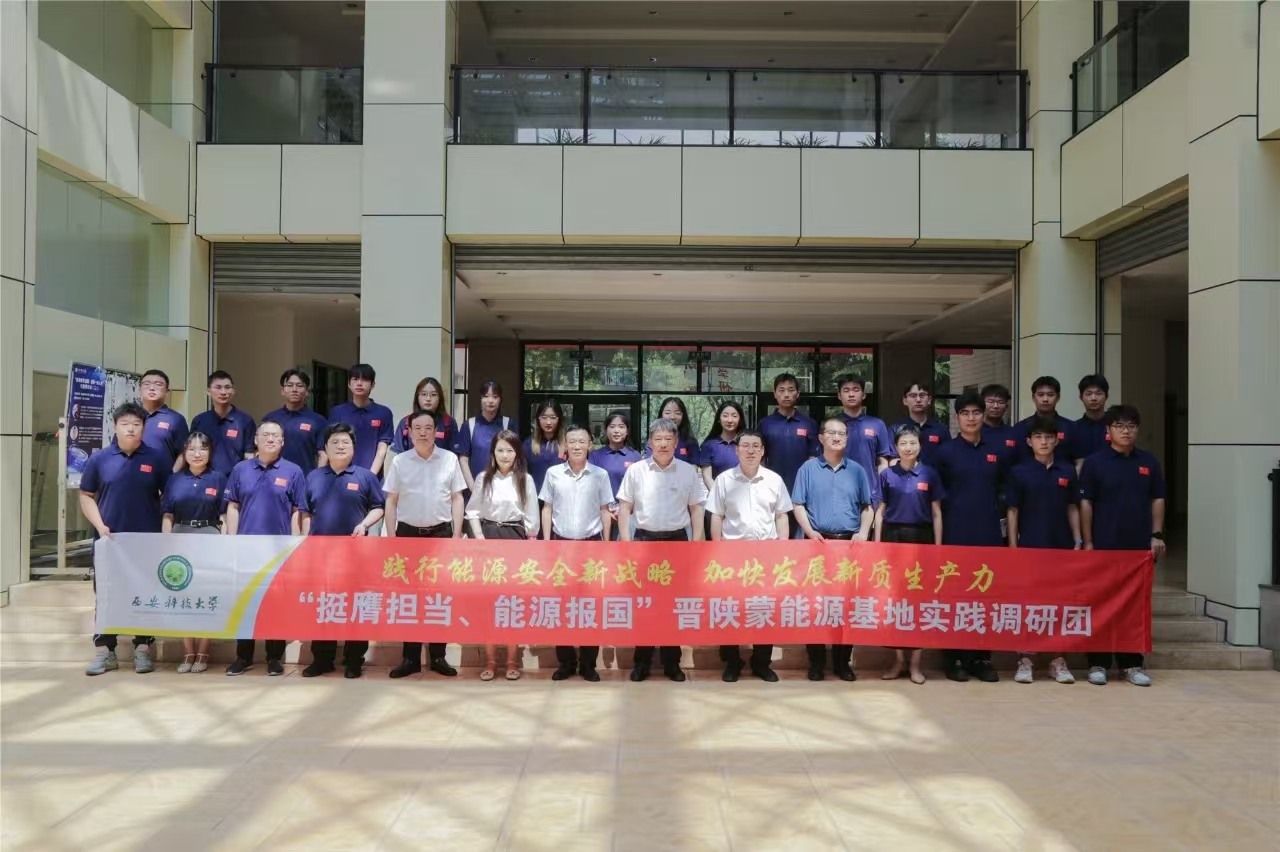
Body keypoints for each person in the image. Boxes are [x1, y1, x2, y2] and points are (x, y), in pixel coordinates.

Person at [81, 402, 172, 676]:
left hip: (146, 542)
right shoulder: (100, 459)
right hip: (109, 541)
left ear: (144, 427)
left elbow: (168, 498)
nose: (130, 429)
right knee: (106, 595)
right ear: (115, 426)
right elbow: (86, 496)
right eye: (125, 424)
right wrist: (100, 526)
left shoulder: (157, 459)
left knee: (145, 592)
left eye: (136, 424)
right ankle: (104, 652)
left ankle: (142, 649)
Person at [1080, 404, 1165, 687]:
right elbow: (1086, 503)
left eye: (1131, 425)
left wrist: (1156, 534)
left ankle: (1131, 664)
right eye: (1119, 426)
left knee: (1134, 607)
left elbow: (1157, 498)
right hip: (1104, 544)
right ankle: (1098, 663)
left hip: (1138, 548)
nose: (1126, 431)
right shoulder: (1094, 463)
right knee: (1100, 604)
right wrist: (1088, 541)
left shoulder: (1148, 462)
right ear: (1108, 430)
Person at [617, 417, 708, 682]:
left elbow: (697, 509)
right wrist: (626, 544)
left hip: (677, 542)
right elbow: (625, 508)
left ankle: (672, 663)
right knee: (644, 605)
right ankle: (641, 663)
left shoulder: (688, 471)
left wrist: (696, 544)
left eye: (669, 439)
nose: (663, 444)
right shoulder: (636, 470)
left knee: (673, 605)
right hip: (644, 541)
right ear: (650, 443)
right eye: (658, 439)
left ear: (676, 443)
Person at [384, 409, 466, 679]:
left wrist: (456, 535)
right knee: (409, 597)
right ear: (408, 431)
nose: (423, 432)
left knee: (438, 596)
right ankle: (410, 658)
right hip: (408, 535)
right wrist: (392, 537)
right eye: (417, 428)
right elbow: (391, 500)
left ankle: (438, 655)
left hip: (440, 534)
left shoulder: (449, 459)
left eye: (428, 428)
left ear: (436, 432)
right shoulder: (400, 461)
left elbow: (457, 498)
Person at [933, 391, 1008, 683]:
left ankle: (981, 658)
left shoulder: (996, 451)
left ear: (983, 415)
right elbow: (936, 499)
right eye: (965, 413)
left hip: (988, 535)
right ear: (957, 417)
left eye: (976, 412)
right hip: (956, 535)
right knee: (955, 598)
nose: (971, 418)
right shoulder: (945, 453)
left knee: (985, 598)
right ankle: (954, 659)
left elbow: (1003, 491)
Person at [300, 423, 385, 679]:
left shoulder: (365, 476)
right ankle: (322, 659)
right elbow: (305, 512)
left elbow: (379, 507)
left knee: (355, 605)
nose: (340, 446)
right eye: (335, 442)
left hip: (355, 554)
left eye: (345, 442)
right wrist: (305, 542)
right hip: (320, 555)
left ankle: (354, 659)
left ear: (353, 448)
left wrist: (364, 525)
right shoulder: (314, 477)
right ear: (325, 448)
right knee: (323, 605)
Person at [791, 417, 874, 682]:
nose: (837, 437)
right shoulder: (807, 469)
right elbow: (798, 504)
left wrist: (863, 532)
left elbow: (867, 507)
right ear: (821, 437)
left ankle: (842, 663)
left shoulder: (857, 470)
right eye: (832, 433)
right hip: (817, 544)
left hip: (849, 545)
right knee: (815, 605)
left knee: (845, 605)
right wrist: (809, 531)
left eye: (842, 434)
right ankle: (816, 663)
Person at [224, 421, 309, 676]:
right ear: (256, 440)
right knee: (245, 603)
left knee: (276, 604)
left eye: (276, 436)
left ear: (283, 441)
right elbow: (233, 506)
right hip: (247, 548)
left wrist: (294, 543)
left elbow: (297, 510)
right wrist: (233, 540)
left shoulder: (293, 471)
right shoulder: (240, 469)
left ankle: (274, 657)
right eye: (266, 435)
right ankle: (243, 656)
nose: (271, 439)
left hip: (278, 550)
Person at [706, 430, 791, 683]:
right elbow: (716, 516)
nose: (751, 451)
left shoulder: (774, 479)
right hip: (733, 555)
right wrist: (717, 549)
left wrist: (782, 546)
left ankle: (761, 662)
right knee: (731, 608)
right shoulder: (724, 480)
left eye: (756, 446)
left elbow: (781, 515)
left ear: (763, 451)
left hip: (766, 554)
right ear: (737, 450)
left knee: (765, 608)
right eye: (746, 446)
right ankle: (733, 661)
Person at [1006, 415, 1081, 685]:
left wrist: (1078, 540)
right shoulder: (1019, 472)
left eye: (1049, 437)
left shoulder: (1067, 471)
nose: (1044, 441)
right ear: (1029, 441)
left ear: (1057, 440)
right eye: (1038, 437)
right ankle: (1026, 660)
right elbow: (1012, 510)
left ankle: (1058, 661)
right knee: (1030, 606)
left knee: (1060, 605)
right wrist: (1013, 545)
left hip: (1061, 548)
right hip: (1030, 547)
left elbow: (1073, 507)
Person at [542, 425, 615, 682]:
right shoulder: (553, 474)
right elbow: (547, 509)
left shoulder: (600, 475)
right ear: (565, 445)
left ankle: (588, 664)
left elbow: (605, 510)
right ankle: (565, 662)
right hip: (561, 545)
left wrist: (606, 545)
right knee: (561, 605)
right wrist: (547, 543)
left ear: (590, 445)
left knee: (590, 606)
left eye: (581, 441)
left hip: (591, 546)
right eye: (571, 441)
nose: (576, 446)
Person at [874, 424, 943, 686]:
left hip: (921, 538)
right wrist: (878, 546)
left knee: (918, 602)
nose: (908, 447)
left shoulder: (930, 474)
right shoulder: (887, 475)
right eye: (903, 443)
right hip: (893, 538)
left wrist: (937, 548)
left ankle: (915, 664)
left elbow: (936, 513)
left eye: (913, 442)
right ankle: (898, 661)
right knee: (895, 602)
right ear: (895, 447)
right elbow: (880, 512)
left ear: (920, 446)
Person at [466, 430, 538, 681]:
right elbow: (472, 511)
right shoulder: (483, 478)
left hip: (515, 539)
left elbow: (531, 515)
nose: (505, 455)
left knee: (511, 602)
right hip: (487, 539)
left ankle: (511, 660)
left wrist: (530, 545)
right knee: (488, 602)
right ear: (493, 453)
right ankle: (490, 660)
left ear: (517, 453)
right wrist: (479, 538)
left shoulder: (525, 479)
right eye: (500, 450)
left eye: (510, 450)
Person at [161, 432, 227, 674]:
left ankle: (204, 650)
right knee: (183, 596)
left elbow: (223, 514)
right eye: (192, 449)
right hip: (180, 538)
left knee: (207, 594)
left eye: (203, 449)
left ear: (210, 453)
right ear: (184, 453)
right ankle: (188, 650)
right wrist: (166, 542)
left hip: (210, 537)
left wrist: (224, 541)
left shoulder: (219, 478)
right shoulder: (174, 479)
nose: (197, 454)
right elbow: (168, 514)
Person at [758, 373, 819, 536]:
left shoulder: (809, 424)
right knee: (774, 536)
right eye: (781, 390)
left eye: (791, 390)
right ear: (775, 394)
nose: (786, 394)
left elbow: (813, 458)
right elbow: (760, 459)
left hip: (802, 490)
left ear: (797, 394)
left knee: (800, 537)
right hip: (772, 488)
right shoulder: (765, 424)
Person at [834, 375, 893, 511]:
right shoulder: (832, 425)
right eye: (846, 390)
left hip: (870, 491)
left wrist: (881, 491)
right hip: (837, 490)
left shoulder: (877, 424)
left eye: (856, 390)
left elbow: (882, 462)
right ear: (839, 395)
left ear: (864, 394)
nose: (851, 394)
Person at [328, 363, 394, 477]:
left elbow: (382, 449)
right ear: (349, 384)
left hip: (372, 476)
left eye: (365, 379)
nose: (359, 383)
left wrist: (370, 477)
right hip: (341, 477)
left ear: (373, 385)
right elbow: (332, 445)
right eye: (355, 379)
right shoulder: (337, 412)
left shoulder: (384, 413)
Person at [587, 411, 641, 541]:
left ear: (627, 431)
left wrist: (625, 509)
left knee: (624, 551)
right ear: (606, 430)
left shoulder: (635, 456)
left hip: (628, 514)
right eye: (612, 427)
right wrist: (605, 509)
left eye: (621, 427)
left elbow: (640, 488)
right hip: (600, 513)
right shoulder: (595, 456)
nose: (616, 431)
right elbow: (590, 486)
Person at [262, 369, 329, 473]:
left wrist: (317, 478)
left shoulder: (318, 421)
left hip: (305, 477)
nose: (294, 389)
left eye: (299, 385)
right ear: (282, 391)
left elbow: (323, 455)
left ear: (307, 392)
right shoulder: (270, 419)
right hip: (272, 477)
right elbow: (260, 450)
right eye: (289, 385)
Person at [190, 370, 256, 475]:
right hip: (205, 478)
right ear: (208, 391)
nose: (223, 392)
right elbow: (192, 452)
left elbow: (249, 455)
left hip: (235, 479)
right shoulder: (199, 420)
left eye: (227, 387)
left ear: (233, 391)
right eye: (218, 387)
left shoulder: (245, 421)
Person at [456, 380, 517, 491]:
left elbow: (515, 458)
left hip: (502, 490)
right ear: (480, 399)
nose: (490, 401)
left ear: (501, 400)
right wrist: (473, 488)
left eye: (495, 397)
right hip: (475, 489)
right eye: (486, 396)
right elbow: (463, 459)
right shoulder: (469, 425)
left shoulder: (508, 424)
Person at [697, 400, 745, 539]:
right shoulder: (709, 445)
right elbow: (707, 477)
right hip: (716, 502)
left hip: (743, 500)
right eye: (725, 415)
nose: (730, 420)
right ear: (719, 419)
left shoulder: (746, 444)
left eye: (734, 416)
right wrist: (721, 497)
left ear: (740, 419)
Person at [1012, 376, 1073, 465]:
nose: (1045, 399)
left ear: (1058, 397)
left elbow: (1077, 461)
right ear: (1033, 397)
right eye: (1040, 395)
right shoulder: (1020, 428)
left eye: (1050, 395)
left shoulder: (1070, 427)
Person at [393, 377, 460, 456]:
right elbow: (400, 455)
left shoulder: (448, 422)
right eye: (424, 394)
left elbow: (453, 454)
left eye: (433, 395)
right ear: (417, 397)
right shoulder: (405, 422)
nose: (428, 399)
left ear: (440, 398)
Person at [138, 369, 189, 472]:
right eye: (147, 384)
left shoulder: (176, 419)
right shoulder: (131, 416)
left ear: (167, 392)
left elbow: (183, 453)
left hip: (164, 479)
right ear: (139, 389)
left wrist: (172, 476)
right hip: (133, 477)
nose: (152, 388)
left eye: (158, 384)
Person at [893, 381, 949, 467]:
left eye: (922, 395)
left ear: (929, 400)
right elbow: (892, 460)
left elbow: (949, 460)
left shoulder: (941, 429)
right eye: (913, 395)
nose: (918, 399)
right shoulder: (896, 429)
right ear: (905, 400)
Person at [524, 399, 567, 498]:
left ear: (559, 419)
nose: (548, 422)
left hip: (561, 499)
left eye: (553, 418)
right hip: (535, 498)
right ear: (538, 419)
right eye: (544, 417)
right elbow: (522, 473)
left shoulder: (567, 444)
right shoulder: (528, 444)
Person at [1072, 374, 1111, 468]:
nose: (1093, 398)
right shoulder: (1073, 429)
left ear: (1106, 396)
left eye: (1099, 393)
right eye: (1088, 394)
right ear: (1081, 397)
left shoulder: (1116, 427)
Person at [646, 397, 699, 463]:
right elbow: (649, 463)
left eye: (677, 413)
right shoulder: (654, 440)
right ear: (661, 415)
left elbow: (695, 465)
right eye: (667, 413)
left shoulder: (691, 441)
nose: (672, 417)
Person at [980, 383, 1020, 463]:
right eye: (991, 401)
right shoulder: (974, 432)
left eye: (1000, 402)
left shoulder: (1014, 433)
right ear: (982, 404)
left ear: (1006, 407)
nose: (995, 406)